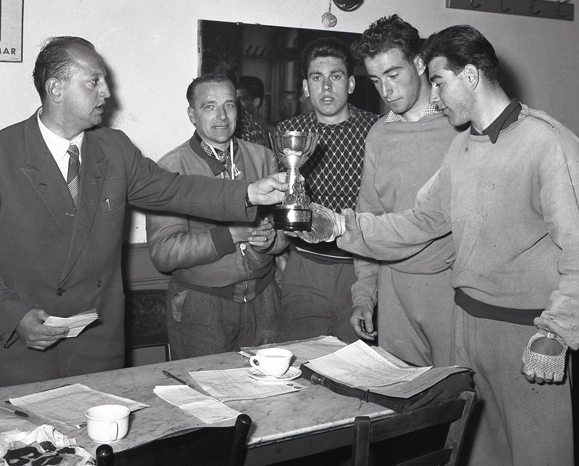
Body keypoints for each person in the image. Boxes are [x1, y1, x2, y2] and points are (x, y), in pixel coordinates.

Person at [298, 25, 579, 465]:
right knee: (476, 454)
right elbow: (419, 220)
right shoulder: (462, 145)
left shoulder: (548, 142)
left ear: (470, 76)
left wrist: (557, 333)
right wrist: (338, 226)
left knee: (539, 455)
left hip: (527, 331)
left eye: (440, 82)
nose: (435, 96)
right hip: (467, 323)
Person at [0, 36, 288, 387]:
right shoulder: (5, 153)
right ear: (55, 89)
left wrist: (248, 192)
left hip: (97, 348)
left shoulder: (114, 149)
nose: (107, 92)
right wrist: (12, 314)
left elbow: (174, 189)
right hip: (22, 349)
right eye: (94, 81)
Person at [146, 71, 289, 358]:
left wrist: (271, 241)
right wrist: (230, 235)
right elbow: (164, 253)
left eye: (229, 105)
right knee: (203, 385)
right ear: (192, 114)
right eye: (209, 106)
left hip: (264, 297)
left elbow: (284, 232)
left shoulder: (263, 157)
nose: (222, 116)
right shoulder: (170, 168)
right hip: (202, 303)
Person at [349, 15, 459, 366]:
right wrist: (365, 295)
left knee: (456, 393)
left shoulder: (460, 127)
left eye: (393, 75)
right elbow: (369, 218)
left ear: (420, 63)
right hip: (394, 290)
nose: (385, 90)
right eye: (375, 79)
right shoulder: (378, 134)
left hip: (451, 290)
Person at [276, 36, 378, 343]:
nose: (326, 87)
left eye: (336, 76)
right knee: (300, 358)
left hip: (361, 267)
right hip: (304, 265)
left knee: (356, 363)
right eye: (317, 78)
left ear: (350, 84)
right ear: (306, 86)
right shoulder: (289, 133)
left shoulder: (376, 130)